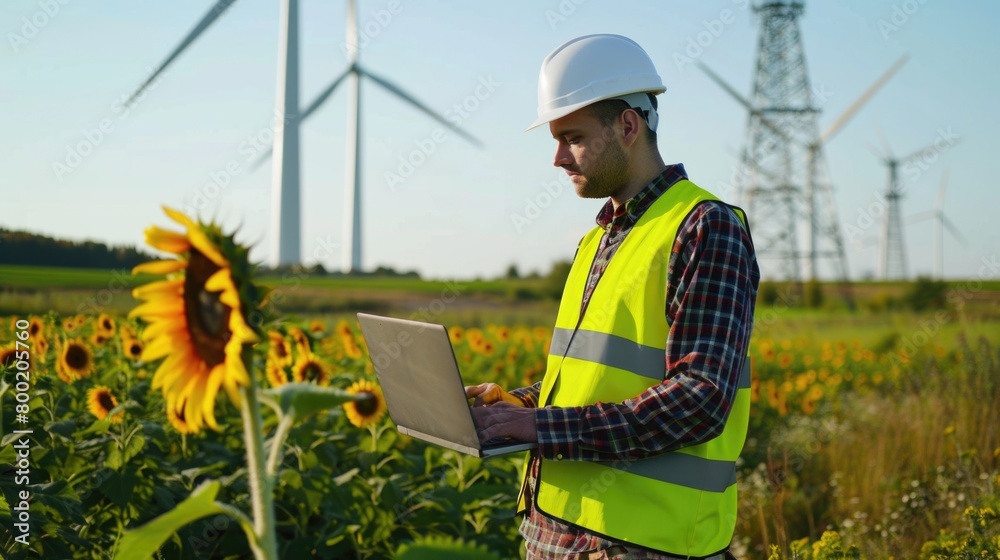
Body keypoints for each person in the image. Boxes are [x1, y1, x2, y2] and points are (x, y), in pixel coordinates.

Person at [466, 34, 759, 559]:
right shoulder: (598, 240)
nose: (557, 158)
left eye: (572, 138)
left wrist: (537, 426)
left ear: (627, 126)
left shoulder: (704, 227)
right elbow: (590, 377)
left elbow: (700, 399)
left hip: (646, 544)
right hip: (559, 532)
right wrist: (515, 405)